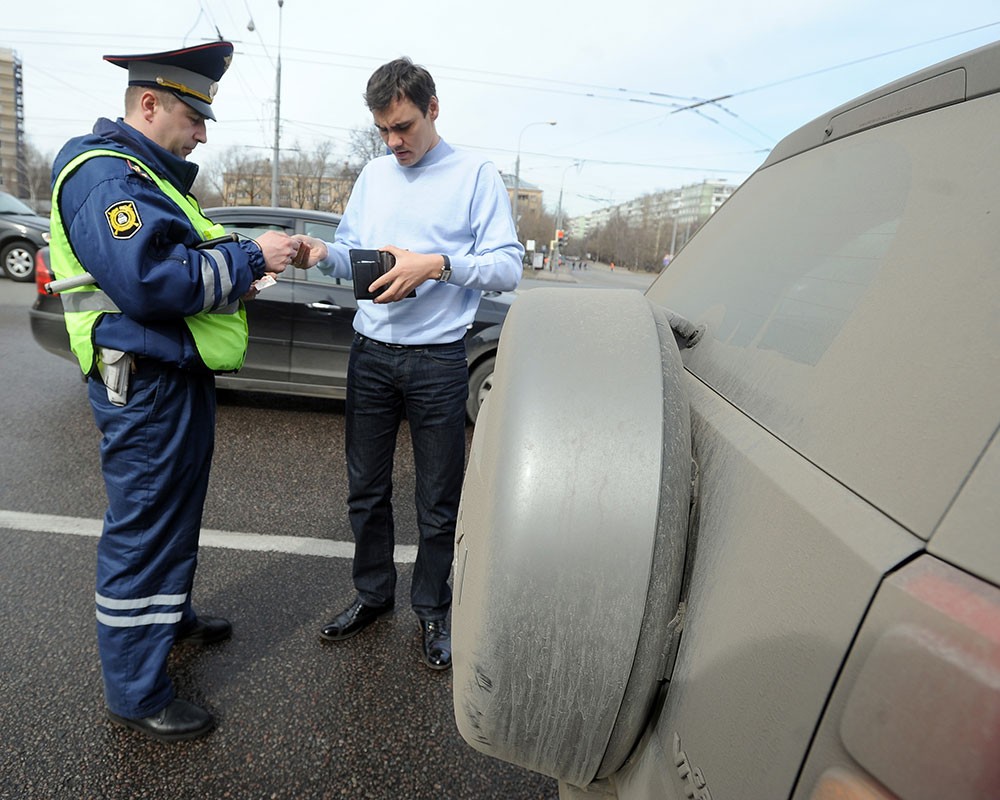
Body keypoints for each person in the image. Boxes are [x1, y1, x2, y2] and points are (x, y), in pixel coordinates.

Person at [49, 41, 303, 742]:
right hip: (147, 379)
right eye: (194, 116)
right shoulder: (106, 177)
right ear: (150, 103)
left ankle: (171, 619)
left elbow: (183, 259)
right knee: (145, 531)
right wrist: (252, 256)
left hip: (169, 374)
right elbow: (150, 280)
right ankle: (135, 689)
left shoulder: (146, 178)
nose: (201, 133)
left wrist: (244, 263)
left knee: (174, 514)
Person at [295, 57, 523, 670]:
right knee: (366, 492)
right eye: (384, 131)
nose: (395, 143)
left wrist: (438, 264)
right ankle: (373, 596)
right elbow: (351, 253)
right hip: (370, 354)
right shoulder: (374, 174)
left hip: (439, 361)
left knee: (437, 500)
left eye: (404, 127)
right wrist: (323, 253)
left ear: (433, 109)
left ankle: (432, 609)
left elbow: (508, 266)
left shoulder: (475, 174)